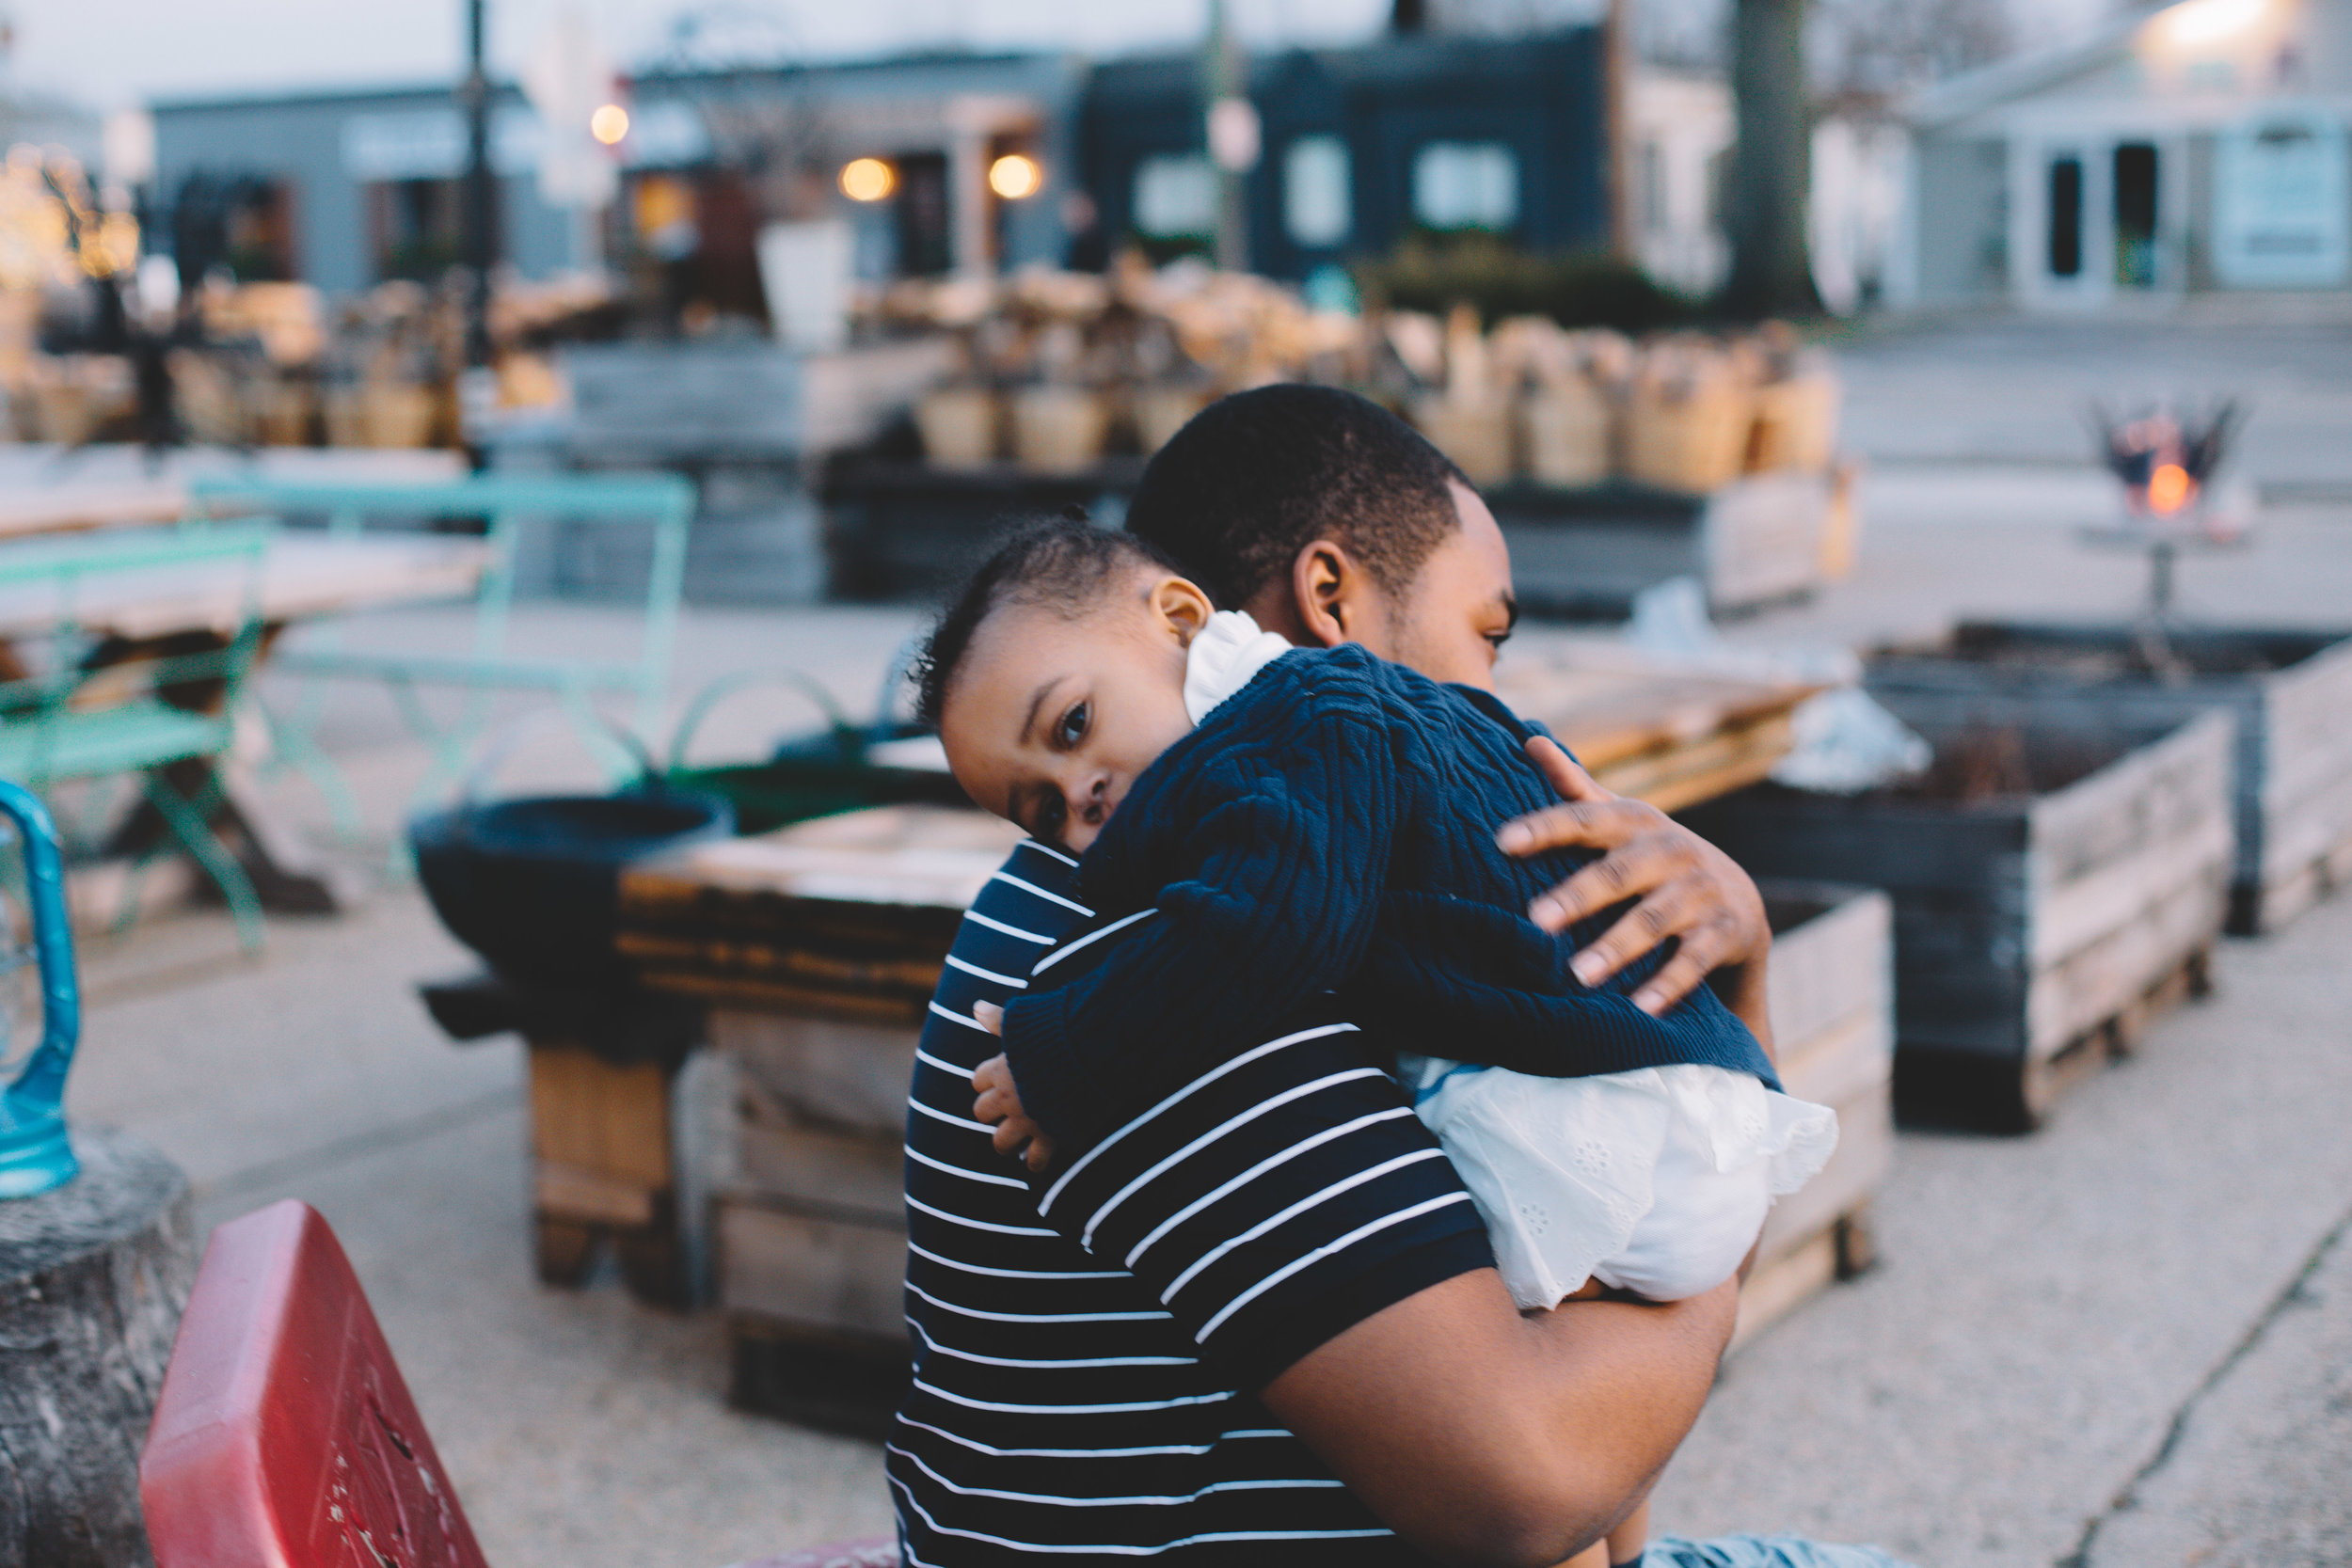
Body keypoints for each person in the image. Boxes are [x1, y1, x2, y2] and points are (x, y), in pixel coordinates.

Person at [884, 385, 1902, 1568]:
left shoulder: (1339, 908)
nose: (1494, 698)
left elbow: (1602, 1491)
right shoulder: (1182, 946)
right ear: (1331, 602)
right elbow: (1531, 1486)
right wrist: (1711, 1213)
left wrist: (1724, 969)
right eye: (1486, 635)